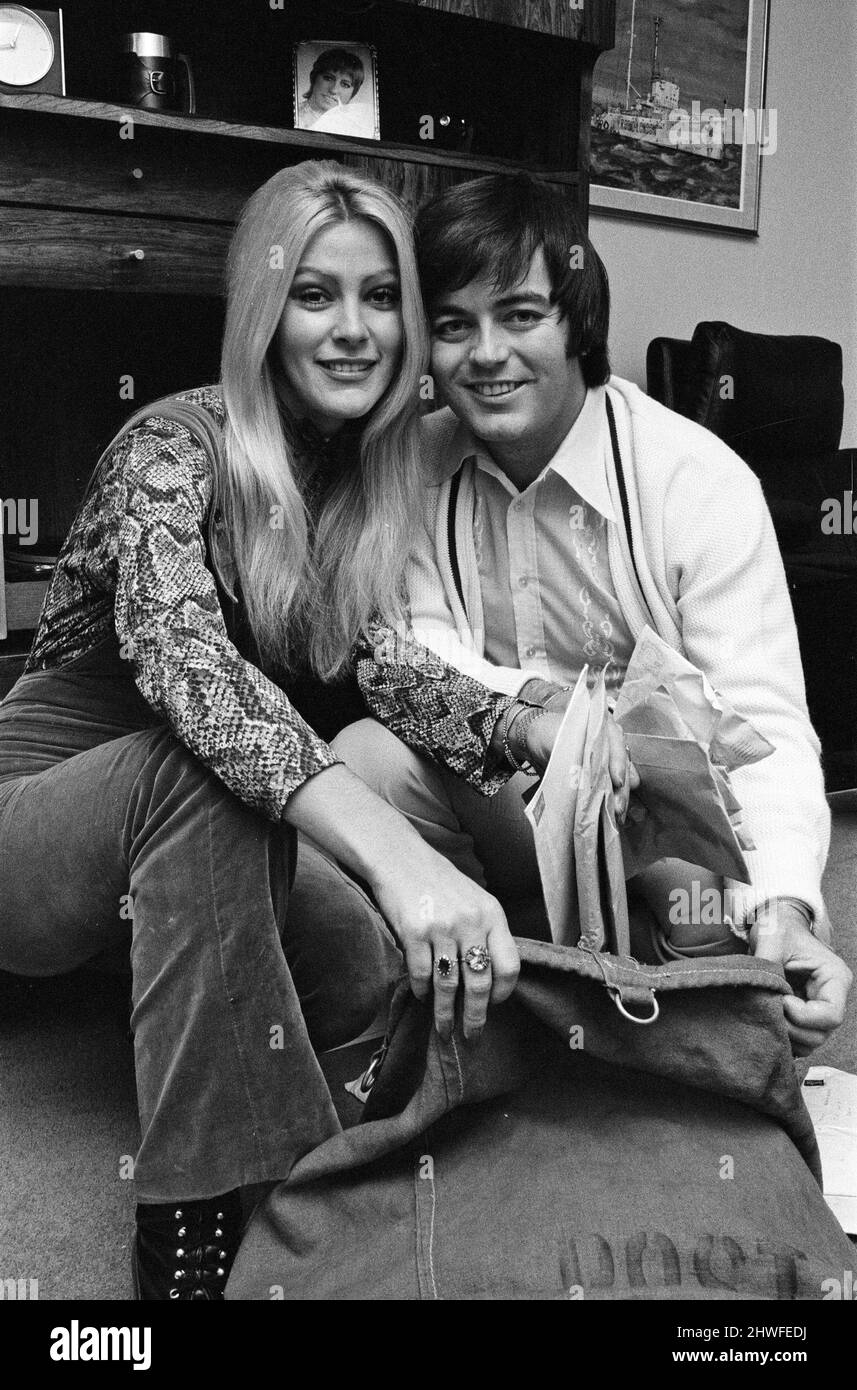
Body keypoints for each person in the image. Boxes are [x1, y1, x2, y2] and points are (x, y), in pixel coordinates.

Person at [0, 161, 520, 1301]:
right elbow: (187, 671)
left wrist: (532, 726)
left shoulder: (343, 483)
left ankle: (312, 1152)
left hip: (190, 848)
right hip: (34, 832)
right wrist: (400, 857)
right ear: (261, 312)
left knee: (383, 981)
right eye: (314, 294)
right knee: (211, 768)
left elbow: (385, 669)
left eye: (379, 296)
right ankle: (192, 1222)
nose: (353, 329)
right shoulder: (170, 446)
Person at [338, 171, 852, 1055]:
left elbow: (762, 722)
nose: (485, 355)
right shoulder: (409, 466)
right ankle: (493, 970)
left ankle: (559, 973)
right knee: (364, 765)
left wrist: (786, 909)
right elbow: (420, 660)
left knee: (727, 956)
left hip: (651, 822)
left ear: (578, 321)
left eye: (520, 315)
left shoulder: (699, 480)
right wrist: (557, 728)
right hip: (495, 780)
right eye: (453, 325)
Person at [297, 47, 364, 130]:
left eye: (345, 85)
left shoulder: (354, 130)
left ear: (353, 92)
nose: (333, 90)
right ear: (313, 78)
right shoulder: (296, 116)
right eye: (328, 78)